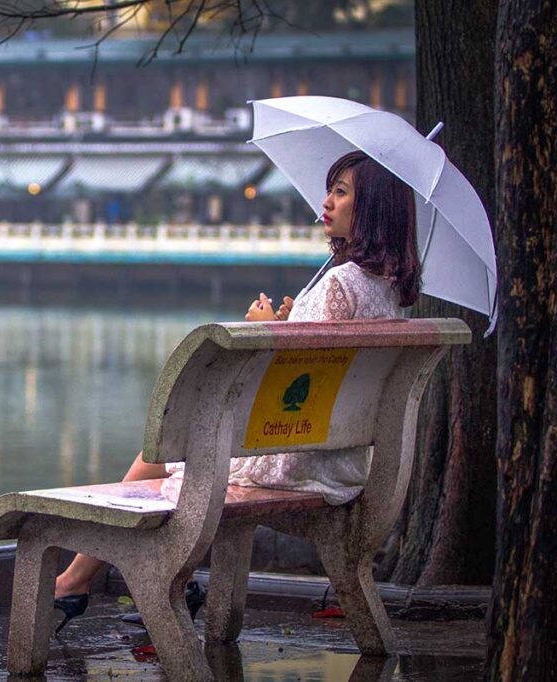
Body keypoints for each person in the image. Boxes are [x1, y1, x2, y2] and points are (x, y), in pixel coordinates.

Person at [52, 150, 422, 629]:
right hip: (341, 462)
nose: (326, 202)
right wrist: (294, 325)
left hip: (296, 459)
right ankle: (96, 581)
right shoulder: (390, 291)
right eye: (331, 190)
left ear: (370, 208)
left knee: (162, 452)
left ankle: (100, 582)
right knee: (165, 454)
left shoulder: (339, 284)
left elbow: (287, 387)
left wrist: (268, 329)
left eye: (341, 192)